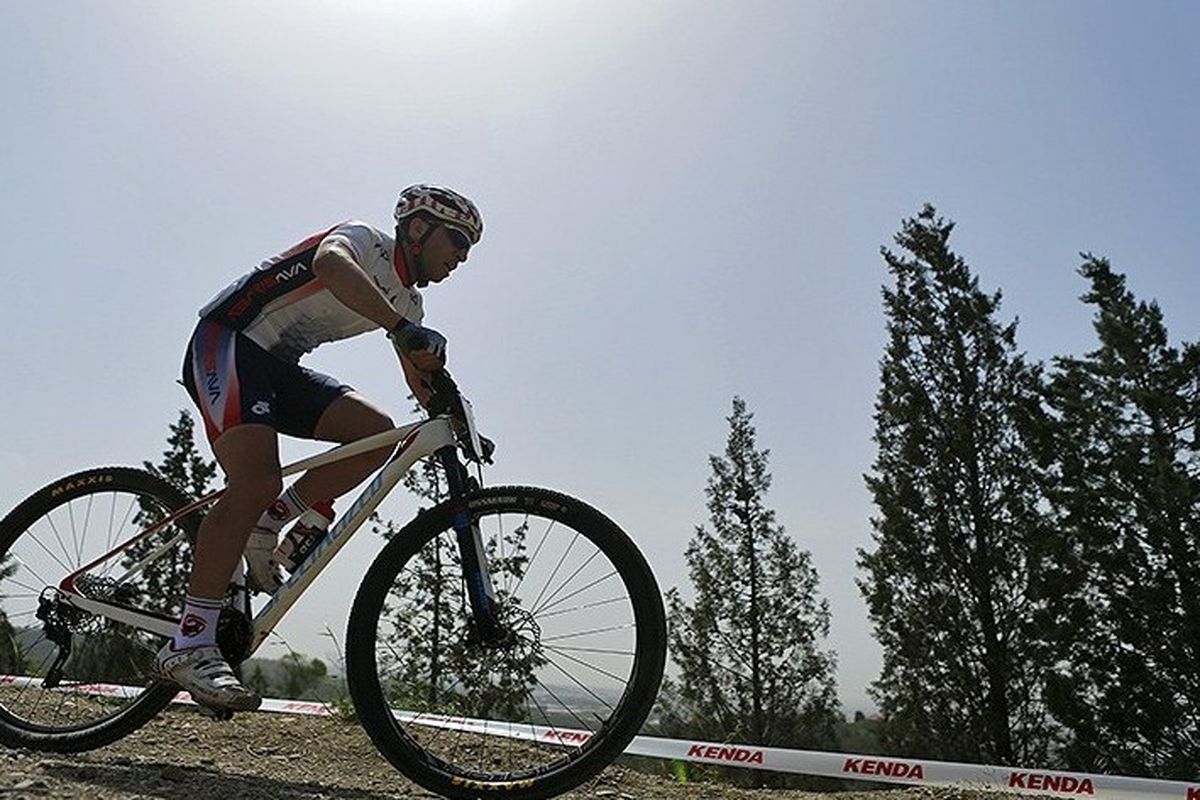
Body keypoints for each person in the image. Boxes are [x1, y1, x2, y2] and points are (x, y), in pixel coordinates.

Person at [155, 184, 483, 710]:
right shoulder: (363, 241)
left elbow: (419, 376)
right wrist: (400, 329)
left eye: (469, 249)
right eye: (457, 240)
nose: (462, 257)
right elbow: (330, 264)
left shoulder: (409, 303)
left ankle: (272, 518)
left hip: (279, 368)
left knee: (378, 434)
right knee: (257, 480)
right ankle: (190, 641)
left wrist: (456, 416)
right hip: (229, 341)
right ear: (417, 229)